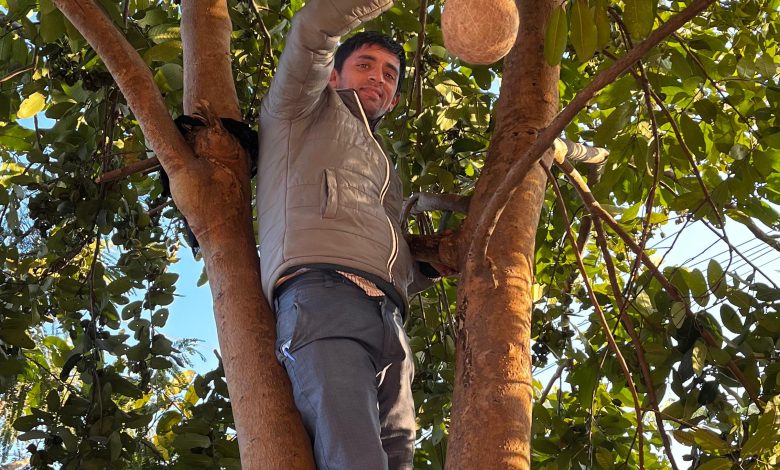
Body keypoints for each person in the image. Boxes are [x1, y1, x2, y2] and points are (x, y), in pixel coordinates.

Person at [256, 1, 439, 468]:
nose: (379, 77)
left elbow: (383, 249)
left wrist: (429, 268)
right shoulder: (296, 113)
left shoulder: (382, 167)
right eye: (365, 65)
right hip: (323, 296)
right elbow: (312, 31)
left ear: (395, 97)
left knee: (397, 460)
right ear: (334, 76)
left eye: (390, 74)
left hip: (389, 319)